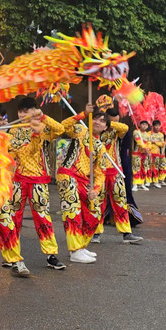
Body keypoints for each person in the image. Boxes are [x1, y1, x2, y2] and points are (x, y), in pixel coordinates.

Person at [0, 96, 65, 274]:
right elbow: (10, 151)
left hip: (39, 180)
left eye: (26, 111)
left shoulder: (44, 129)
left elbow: (60, 129)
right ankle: (12, 256)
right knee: (13, 218)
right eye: (20, 111)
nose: (22, 114)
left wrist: (42, 117)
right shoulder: (14, 131)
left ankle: (51, 254)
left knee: (43, 217)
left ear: (34, 111)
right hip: (18, 180)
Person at [91, 108, 143, 245]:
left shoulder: (115, 131)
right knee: (98, 202)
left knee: (120, 201)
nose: (101, 123)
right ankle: (95, 233)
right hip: (99, 171)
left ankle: (126, 233)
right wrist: (101, 125)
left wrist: (108, 123)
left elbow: (124, 127)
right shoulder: (93, 132)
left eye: (104, 121)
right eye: (100, 120)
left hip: (115, 169)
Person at [55, 111, 102, 264]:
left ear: (106, 127)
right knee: (72, 211)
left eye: (102, 121)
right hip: (68, 174)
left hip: (83, 180)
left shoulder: (101, 148)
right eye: (95, 119)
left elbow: (99, 173)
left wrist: (95, 190)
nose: (97, 122)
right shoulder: (81, 131)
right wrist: (83, 114)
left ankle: (81, 246)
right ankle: (74, 251)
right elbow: (64, 126)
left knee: (94, 212)